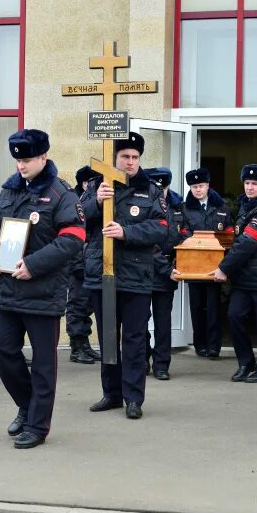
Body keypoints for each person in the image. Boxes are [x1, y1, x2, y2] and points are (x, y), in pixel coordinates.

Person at [0, 129, 85, 449]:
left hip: (43, 291)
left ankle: (37, 426)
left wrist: (34, 265)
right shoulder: (9, 191)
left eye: (26, 160)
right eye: (17, 160)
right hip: (8, 289)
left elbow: (74, 239)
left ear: (43, 157)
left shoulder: (61, 194)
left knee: (43, 362)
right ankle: (27, 405)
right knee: (1, 348)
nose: (20, 166)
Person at [81, 132, 168, 420]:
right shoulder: (97, 184)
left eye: (134, 157)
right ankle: (111, 393)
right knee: (107, 338)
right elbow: (76, 219)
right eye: (125, 157)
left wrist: (127, 232)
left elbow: (163, 228)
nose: (130, 162)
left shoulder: (151, 190)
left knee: (134, 338)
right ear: (114, 158)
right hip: (101, 274)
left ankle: (133, 398)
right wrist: (95, 201)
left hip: (136, 276)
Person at [213, 164, 257, 384]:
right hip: (246, 274)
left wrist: (224, 268)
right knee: (235, 315)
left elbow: (247, 242)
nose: (250, 187)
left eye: (255, 183)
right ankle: (245, 362)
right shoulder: (247, 206)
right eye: (247, 183)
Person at [181, 168, 233, 359]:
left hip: (214, 267)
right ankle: (200, 344)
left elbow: (228, 235)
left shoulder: (222, 208)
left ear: (208, 186)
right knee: (196, 308)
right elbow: (183, 232)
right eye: (194, 187)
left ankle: (214, 346)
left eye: (201, 186)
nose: (198, 190)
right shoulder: (185, 208)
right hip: (193, 266)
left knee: (213, 308)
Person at [145, 167, 189, 380]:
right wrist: (166, 267)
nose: (160, 190)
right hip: (144, 270)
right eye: (156, 186)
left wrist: (181, 248)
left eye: (164, 187)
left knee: (163, 322)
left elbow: (186, 231)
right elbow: (146, 243)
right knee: (139, 321)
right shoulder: (142, 203)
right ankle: (142, 360)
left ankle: (161, 364)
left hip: (167, 273)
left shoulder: (177, 205)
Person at [66, 165, 100, 364]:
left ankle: (84, 344)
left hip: (89, 260)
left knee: (86, 305)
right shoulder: (76, 201)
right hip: (78, 261)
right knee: (78, 304)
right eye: (88, 182)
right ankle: (76, 347)